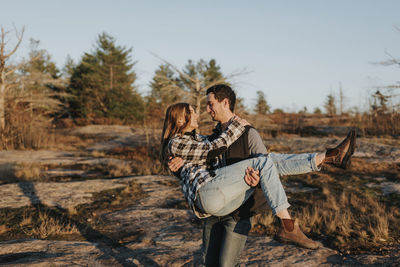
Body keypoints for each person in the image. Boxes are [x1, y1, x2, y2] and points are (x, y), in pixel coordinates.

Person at [162, 90, 356, 266]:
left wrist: (255, 182)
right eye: (195, 110)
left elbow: (267, 172)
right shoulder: (212, 137)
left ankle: (327, 158)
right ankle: (326, 161)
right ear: (181, 121)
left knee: (267, 161)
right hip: (214, 205)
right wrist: (177, 168)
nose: (204, 110)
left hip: (237, 210)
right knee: (209, 262)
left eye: (210, 104)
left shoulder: (248, 133)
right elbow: (205, 156)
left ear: (225, 103)